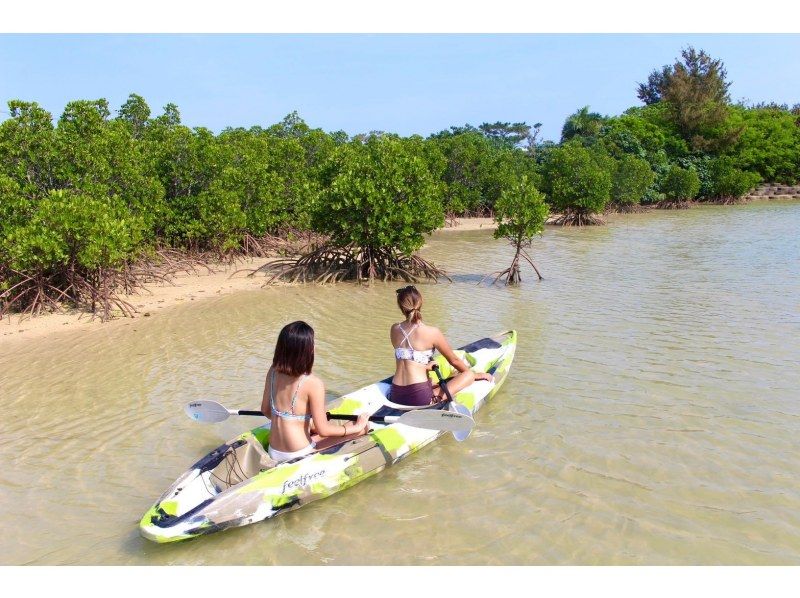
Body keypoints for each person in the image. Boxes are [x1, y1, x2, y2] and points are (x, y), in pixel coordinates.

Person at [261, 321, 369, 462]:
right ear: (307, 350)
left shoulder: (273, 371)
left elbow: (266, 410)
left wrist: (299, 422)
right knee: (362, 428)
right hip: (299, 453)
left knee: (313, 428)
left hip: (274, 450)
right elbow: (323, 430)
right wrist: (357, 426)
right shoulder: (313, 383)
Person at [389, 285, 493, 406]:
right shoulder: (433, 332)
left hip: (396, 394)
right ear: (420, 303)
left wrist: (426, 367)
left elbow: (406, 359)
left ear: (401, 307)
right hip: (419, 398)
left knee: (431, 381)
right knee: (468, 375)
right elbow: (454, 360)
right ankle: (435, 399)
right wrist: (475, 375)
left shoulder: (394, 329)